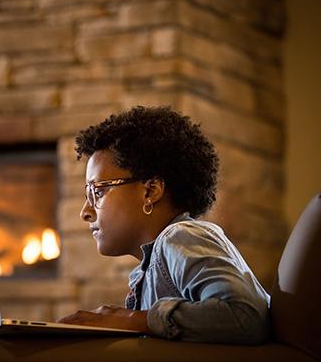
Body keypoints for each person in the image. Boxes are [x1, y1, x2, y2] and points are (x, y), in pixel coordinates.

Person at [57, 106, 270, 344]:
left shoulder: (181, 236)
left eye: (98, 191)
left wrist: (131, 319)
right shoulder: (149, 268)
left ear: (150, 191)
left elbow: (246, 316)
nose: (85, 212)